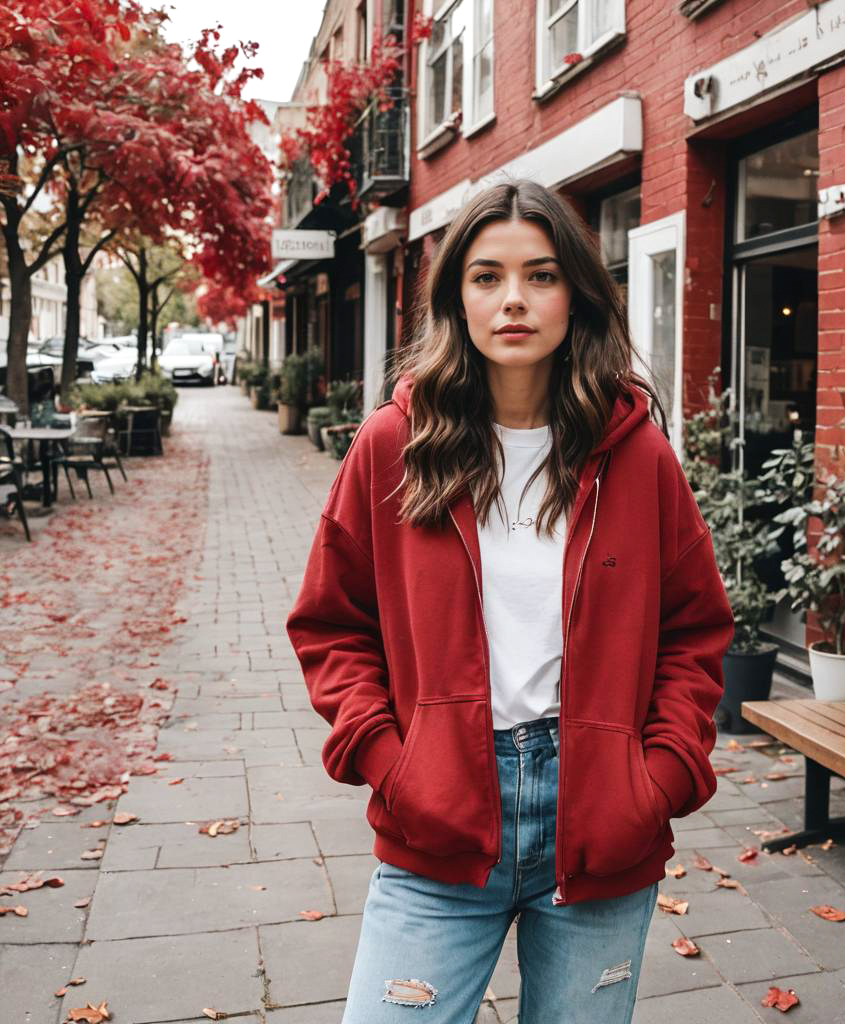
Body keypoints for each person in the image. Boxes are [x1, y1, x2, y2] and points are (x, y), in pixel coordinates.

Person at [286, 176, 734, 1023]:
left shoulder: (639, 459)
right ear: (458, 298)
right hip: (438, 825)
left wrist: (660, 778)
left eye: (541, 274)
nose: (514, 300)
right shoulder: (397, 445)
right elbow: (330, 623)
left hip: (602, 823)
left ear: (577, 293)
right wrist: (392, 761)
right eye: (487, 276)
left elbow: (695, 630)